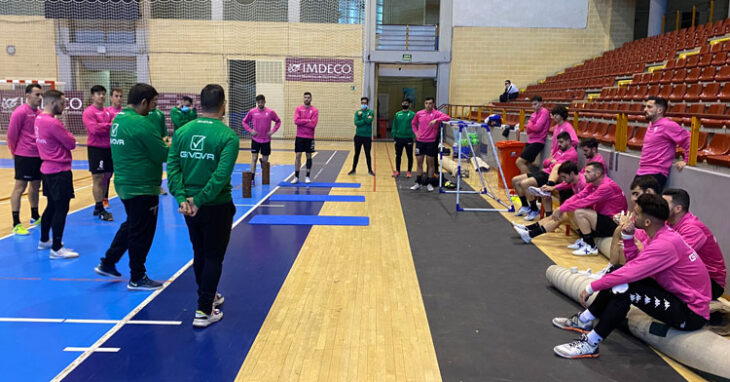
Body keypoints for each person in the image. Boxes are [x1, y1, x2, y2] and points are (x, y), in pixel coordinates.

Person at [552, 194, 710, 359]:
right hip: (675, 296)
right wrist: (628, 237)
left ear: (647, 222)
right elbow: (632, 265)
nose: (631, 216)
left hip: (690, 313)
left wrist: (592, 287)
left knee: (624, 288)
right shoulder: (660, 235)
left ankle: (591, 343)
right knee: (617, 270)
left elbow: (630, 273)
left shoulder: (665, 244)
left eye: (636, 213)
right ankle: (585, 319)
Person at [167, 84, 239, 328]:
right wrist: (198, 200)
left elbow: (173, 168)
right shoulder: (228, 136)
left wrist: (182, 199)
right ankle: (203, 310)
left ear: (199, 105)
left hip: (188, 208)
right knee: (213, 257)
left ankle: (208, 297)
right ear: (223, 105)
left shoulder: (183, 131)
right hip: (215, 206)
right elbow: (220, 177)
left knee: (199, 253)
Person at [94, 83, 169, 291]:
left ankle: (108, 262)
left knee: (132, 225)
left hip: (125, 184)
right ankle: (137, 276)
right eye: (153, 104)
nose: (154, 109)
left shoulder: (120, 119)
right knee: (142, 232)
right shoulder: (141, 124)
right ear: (144, 102)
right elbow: (163, 153)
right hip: (141, 186)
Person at [35, 90, 79, 259]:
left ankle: (44, 240)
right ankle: (56, 247)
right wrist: (69, 136)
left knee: (51, 206)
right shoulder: (53, 123)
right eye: (62, 103)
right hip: (59, 171)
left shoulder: (39, 119)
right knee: (61, 208)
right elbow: (71, 143)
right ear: (52, 103)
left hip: (47, 169)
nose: (64, 106)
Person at [552, 162, 628, 256]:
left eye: (588, 172)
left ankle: (591, 246)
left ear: (598, 174)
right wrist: (562, 207)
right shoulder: (592, 184)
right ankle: (584, 240)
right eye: (585, 171)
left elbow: (586, 201)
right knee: (571, 209)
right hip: (603, 219)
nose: (584, 174)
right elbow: (578, 196)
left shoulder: (606, 186)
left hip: (614, 223)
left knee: (580, 212)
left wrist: (561, 209)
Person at [662, 189, 726, 299]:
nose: (659, 207)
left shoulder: (692, 229)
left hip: (711, 283)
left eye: (664, 204)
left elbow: (672, 258)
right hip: (693, 275)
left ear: (678, 209)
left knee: (659, 271)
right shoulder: (668, 222)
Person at [513, 132, 578, 221]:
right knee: (515, 180)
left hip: (551, 176)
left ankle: (535, 209)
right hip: (545, 172)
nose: (559, 145)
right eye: (558, 142)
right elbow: (545, 163)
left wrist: (552, 162)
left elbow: (560, 168)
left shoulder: (572, 154)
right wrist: (550, 161)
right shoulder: (559, 151)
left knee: (524, 184)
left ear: (568, 141)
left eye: (561, 142)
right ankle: (525, 206)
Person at [513, 161, 582, 243]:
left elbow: (583, 199)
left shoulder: (583, 182)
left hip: (585, 213)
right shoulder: (573, 181)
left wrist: (562, 208)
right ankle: (528, 229)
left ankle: (530, 234)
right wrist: (553, 187)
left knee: (559, 217)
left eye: (564, 177)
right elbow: (565, 185)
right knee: (553, 216)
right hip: (581, 210)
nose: (563, 180)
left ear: (571, 174)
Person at [7, 84, 43, 236]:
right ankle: (16, 222)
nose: (40, 98)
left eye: (41, 94)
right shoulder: (20, 112)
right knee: (19, 187)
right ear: (27, 95)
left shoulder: (41, 113)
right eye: (36, 94)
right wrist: (15, 153)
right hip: (24, 155)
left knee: (35, 186)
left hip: (38, 155)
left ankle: (35, 216)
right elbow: (11, 135)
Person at [635, 97, 689, 190]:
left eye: (649, 107)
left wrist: (686, 160)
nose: (645, 109)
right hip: (642, 170)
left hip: (656, 173)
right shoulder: (651, 124)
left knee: (644, 202)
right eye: (645, 106)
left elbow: (689, 139)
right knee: (635, 200)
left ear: (659, 110)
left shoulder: (668, 125)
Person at [82, 85, 114, 221]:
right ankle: (99, 207)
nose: (101, 96)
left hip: (109, 148)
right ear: (92, 96)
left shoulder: (108, 112)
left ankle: (99, 205)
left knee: (107, 176)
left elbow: (114, 126)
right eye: (98, 94)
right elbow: (94, 129)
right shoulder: (89, 112)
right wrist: (107, 126)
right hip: (96, 149)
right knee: (98, 178)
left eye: (103, 94)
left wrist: (103, 126)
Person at [410, 97, 450, 191]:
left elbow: (447, 117)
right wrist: (416, 133)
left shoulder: (436, 113)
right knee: (419, 163)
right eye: (427, 103)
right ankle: (418, 182)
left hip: (430, 142)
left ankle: (429, 183)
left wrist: (436, 120)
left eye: (430, 103)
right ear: (424, 104)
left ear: (433, 104)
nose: (428, 105)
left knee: (430, 163)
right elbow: (413, 123)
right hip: (420, 142)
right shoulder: (419, 113)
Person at [242, 94, 281, 186]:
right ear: (257, 103)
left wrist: (272, 131)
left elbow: (278, 121)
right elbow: (244, 122)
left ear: (264, 102)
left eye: (262, 102)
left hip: (266, 140)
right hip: (255, 139)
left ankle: (265, 177)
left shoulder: (270, 112)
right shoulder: (252, 112)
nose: (260, 104)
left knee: (265, 160)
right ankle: (252, 178)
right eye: (259, 102)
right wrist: (250, 130)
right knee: (254, 158)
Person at [516, 96, 550, 174]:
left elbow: (537, 128)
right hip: (531, 140)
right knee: (526, 164)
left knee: (519, 162)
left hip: (538, 142)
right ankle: (524, 183)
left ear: (541, 103)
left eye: (535, 104)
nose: (533, 107)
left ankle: (530, 181)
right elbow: (528, 130)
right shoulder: (533, 114)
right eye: (532, 105)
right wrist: (531, 126)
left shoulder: (544, 112)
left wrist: (530, 125)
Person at [292, 92, 318, 184]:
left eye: (308, 97)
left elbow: (313, 124)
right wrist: (307, 120)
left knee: (308, 156)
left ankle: (307, 176)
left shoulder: (315, 110)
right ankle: (296, 176)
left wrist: (302, 121)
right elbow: (296, 121)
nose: (307, 99)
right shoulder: (298, 109)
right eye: (305, 97)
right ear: (303, 98)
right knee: (298, 155)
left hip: (309, 137)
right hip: (299, 136)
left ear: (311, 99)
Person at [105, 87, 124, 204]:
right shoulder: (107, 112)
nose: (119, 98)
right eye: (116, 96)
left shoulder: (125, 112)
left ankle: (124, 195)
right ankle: (104, 198)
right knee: (107, 174)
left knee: (121, 173)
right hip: (109, 148)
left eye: (121, 96)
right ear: (111, 98)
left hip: (122, 148)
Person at [348, 96, 375, 176]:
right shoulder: (357, 112)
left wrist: (362, 117)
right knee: (356, 153)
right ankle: (353, 169)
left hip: (367, 137)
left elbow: (369, 121)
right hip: (358, 136)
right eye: (362, 103)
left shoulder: (371, 112)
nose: (363, 104)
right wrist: (364, 119)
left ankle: (370, 170)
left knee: (367, 154)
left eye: (365, 103)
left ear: (367, 103)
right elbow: (356, 123)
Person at [147, 105, 169, 195]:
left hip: (158, 144)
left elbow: (164, 130)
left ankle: (158, 187)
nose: (155, 102)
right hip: (146, 144)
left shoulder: (160, 113)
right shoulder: (142, 114)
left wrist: (163, 139)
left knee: (158, 166)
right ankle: (148, 187)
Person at [392, 99, 415, 178]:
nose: (404, 104)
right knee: (398, 155)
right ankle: (397, 171)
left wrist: (413, 136)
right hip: (398, 138)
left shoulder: (412, 114)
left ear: (409, 104)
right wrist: (394, 136)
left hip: (408, 138)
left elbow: (415, 125)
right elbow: (394, 126)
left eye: (406, 103)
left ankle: (409, 171)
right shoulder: (397, 114)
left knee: (409, 156)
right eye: (403, 103)